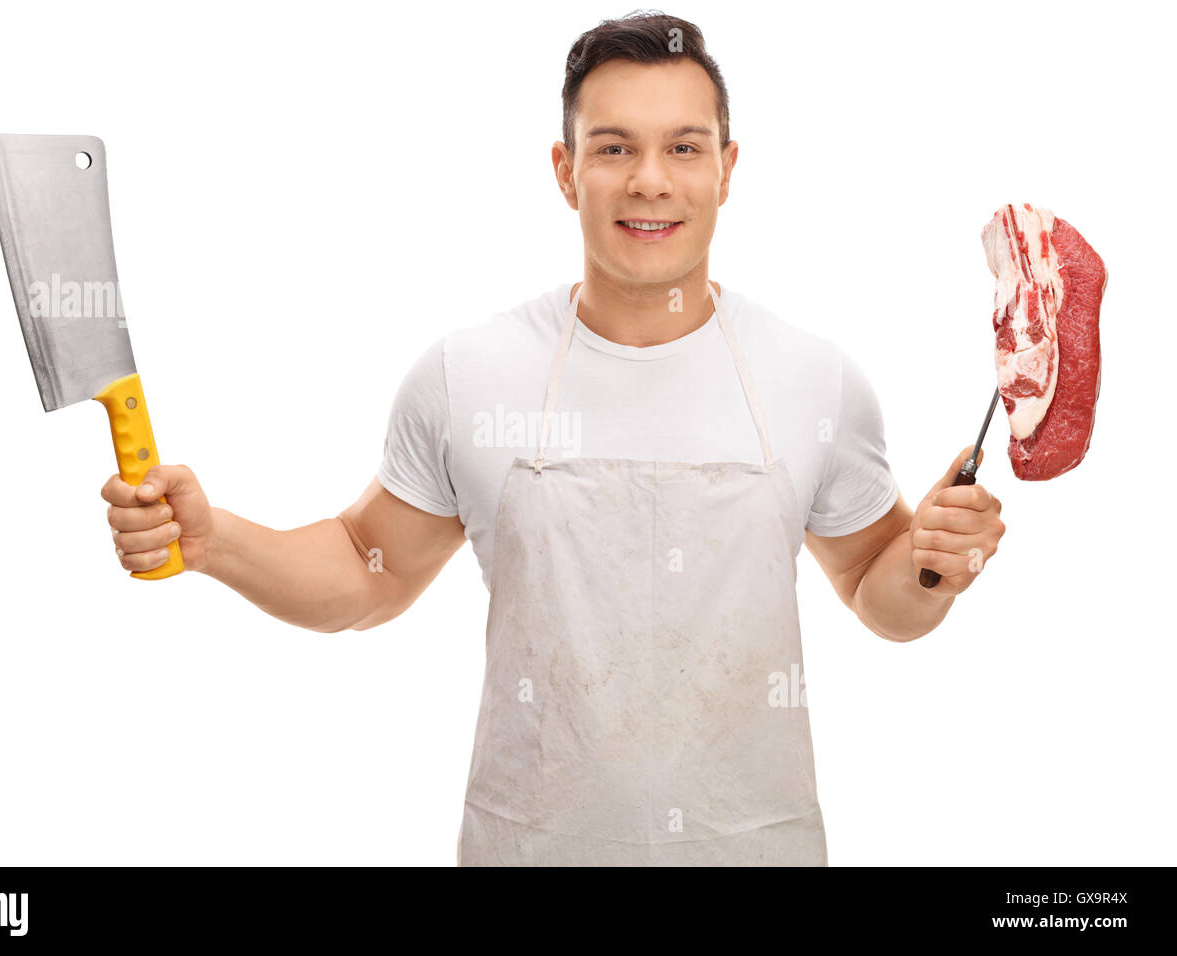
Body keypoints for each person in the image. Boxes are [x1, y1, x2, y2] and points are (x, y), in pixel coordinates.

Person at [101, 11, 1006, 866]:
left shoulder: (812, 378)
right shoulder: (472, 373)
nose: (649, 179)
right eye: (614, 148)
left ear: (727, 168)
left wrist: (934, 561)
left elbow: (877, 591)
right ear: (566, 170)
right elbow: (364, 570)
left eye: (683, 147)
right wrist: (214, 542)